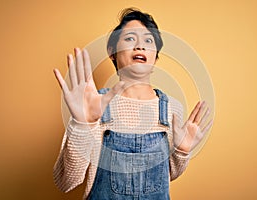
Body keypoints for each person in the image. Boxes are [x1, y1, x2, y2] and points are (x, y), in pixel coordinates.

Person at [53, 8, 212, 200]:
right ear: (112, 52)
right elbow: (66, 182)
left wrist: (182, 152)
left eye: (148, 40)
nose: (140, 46)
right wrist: (83, 124)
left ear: (156, 55)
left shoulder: (171, 108)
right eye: (129, 38)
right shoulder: (92, 106)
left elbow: (166, 176)